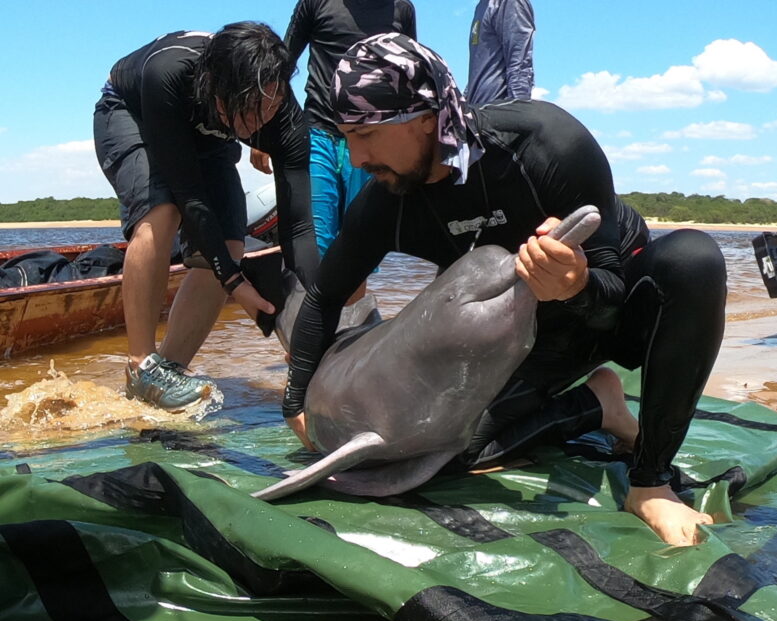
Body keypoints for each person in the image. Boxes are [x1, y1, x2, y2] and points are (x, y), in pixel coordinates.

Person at [283, 34, 727, 547]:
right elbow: (323, 297)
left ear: (426, 117)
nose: (356, 158)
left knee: (694, 259)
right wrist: (297, 402)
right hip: (531, 338)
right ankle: (598, 405)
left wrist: (576, 284)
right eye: (345, 137)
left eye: (366, 135)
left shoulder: (543, 145)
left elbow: (609, 283)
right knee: (438, 453)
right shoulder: (388, 199)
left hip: (616, 306)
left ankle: (650, 483)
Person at [93, 22, 318, 411]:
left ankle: (169, 372)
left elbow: (298, 225)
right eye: (247, 111)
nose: (257, 124)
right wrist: (235, 283)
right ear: (214, 84)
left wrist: (314, 311)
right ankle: (142, 365)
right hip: (134, 112)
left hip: (210, 132)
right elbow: (190, 198)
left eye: (268, 108)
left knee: (230, 244)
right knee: (162, 211)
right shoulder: (167, 73)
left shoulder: (279, 119)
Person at [250, 0, 417, 261]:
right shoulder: (316, 3)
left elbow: (408, 79)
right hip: (319, 133)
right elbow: (280, 66)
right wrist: (263, 131)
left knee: (362, 243)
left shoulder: (402, 9)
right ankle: (313, 300)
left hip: (373, 141)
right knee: (315, 237)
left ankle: (352, 304)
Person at [465, 0, 535, 104]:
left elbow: (519, 67)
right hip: (478, 112)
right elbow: (478, 69)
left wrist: (519, 113)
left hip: (498, 111)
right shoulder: (481, 7)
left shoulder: (510, 3)